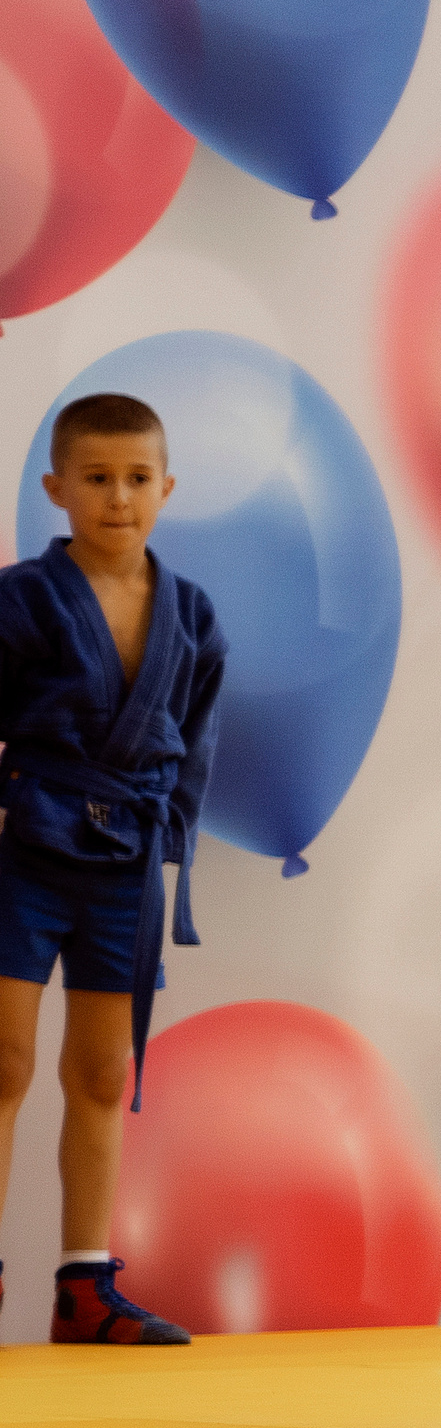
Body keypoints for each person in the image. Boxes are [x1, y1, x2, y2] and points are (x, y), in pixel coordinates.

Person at [0, 393, 225, 1344]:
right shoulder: (20, 599)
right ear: (56, 488)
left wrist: (171, 836)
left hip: (126, 858)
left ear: (167, 488)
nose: (118, 498)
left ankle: (84, 1287)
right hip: (25, 844)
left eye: (137, 479)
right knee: (1, 1062)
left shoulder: (191, 612)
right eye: (96, 479)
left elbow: (198, 736)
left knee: (101, 1070)